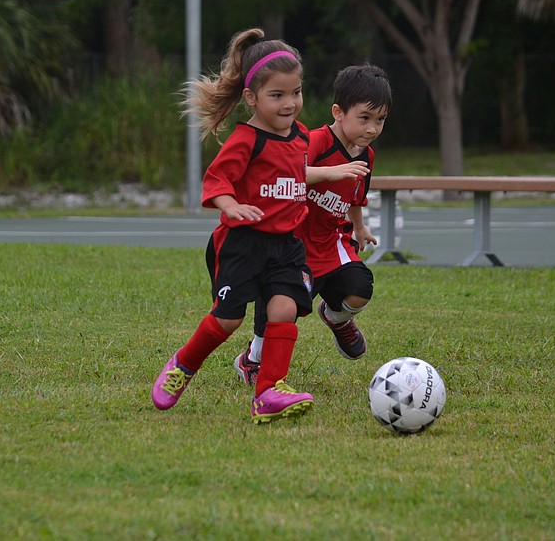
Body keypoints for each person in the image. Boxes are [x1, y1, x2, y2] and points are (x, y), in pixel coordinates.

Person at [151, 28, 315, 424]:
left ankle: (268, 391)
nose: (290, 103)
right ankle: (183, 366)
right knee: (229, 319)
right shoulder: (245, 139)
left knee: (284, 308)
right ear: (251, 97)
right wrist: (232, 205)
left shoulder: (303, 136)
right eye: (277, 95)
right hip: (242, 243)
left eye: (295, 93)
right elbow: (217, 180)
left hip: (285, 246)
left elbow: (303, 174)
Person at [234, 64, 391, 385]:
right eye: (365, 118)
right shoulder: (315, 141)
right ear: (338, 112)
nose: (373, 128)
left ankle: (335, 317)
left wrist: (359, 227)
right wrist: (330, 172)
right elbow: (287, 172)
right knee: (284, 307)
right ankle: (252, 358)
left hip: (332, 240)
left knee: (360, 290)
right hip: (292, 240)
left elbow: (357, 193)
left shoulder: (367, 154)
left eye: (380, 120)